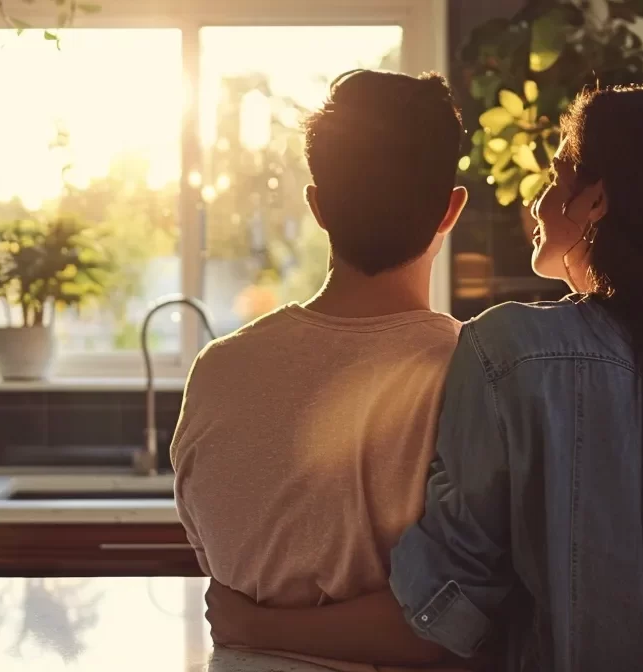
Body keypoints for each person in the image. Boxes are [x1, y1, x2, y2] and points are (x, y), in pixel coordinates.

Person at [205, 85, 643, 672]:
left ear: (596, 200)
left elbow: (444, 609)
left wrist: (255, 625)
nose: (537, 206)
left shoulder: (513, 352)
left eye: (556, 176)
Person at [171, 69, 469, 670]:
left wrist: (262, 625)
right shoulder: (474, 370)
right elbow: (459, 623)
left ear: (317, 206)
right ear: (451, 210)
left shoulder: (217, 369)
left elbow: (218, 574)